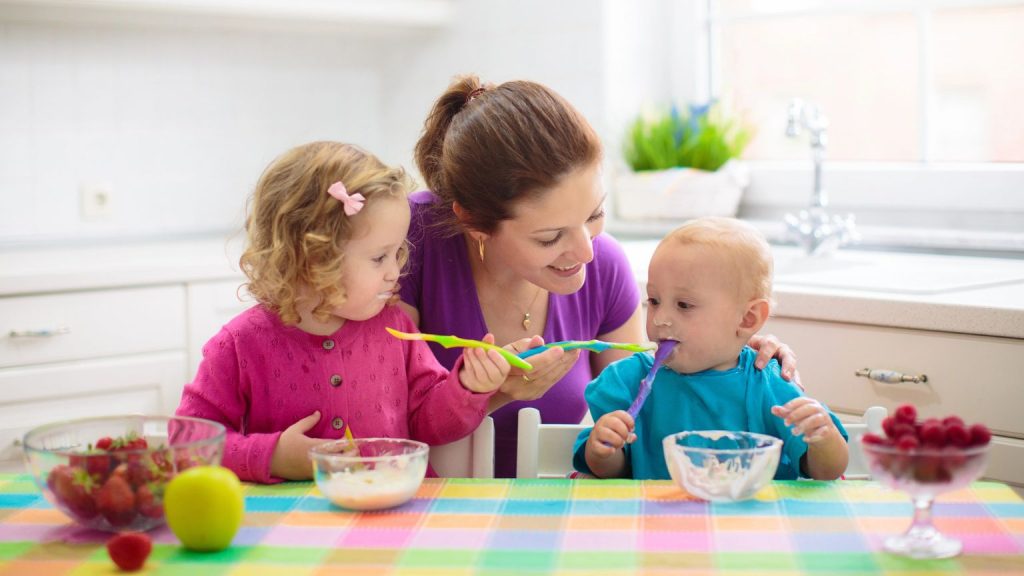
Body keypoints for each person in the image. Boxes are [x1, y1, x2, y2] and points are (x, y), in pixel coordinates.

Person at [400, 74, 802, 477]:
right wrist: (498, 394)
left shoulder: (604, 264)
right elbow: (378, 417)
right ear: (474, 222)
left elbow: (653, 394)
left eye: (594, 215)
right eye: (551, 237)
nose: (586, 251)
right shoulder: (408, 242)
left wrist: (733, 355)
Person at [176, 141, 513, 483]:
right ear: (312, 258)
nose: (395, 272)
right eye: (379, 257)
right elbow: (187, 443)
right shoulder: (238, 345)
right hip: (292, 526)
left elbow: (432, 425)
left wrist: (468, 386)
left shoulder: (396, 330)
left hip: (397, 516)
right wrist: (273, 456)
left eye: (398, 253)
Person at [575, 218, 849, 480]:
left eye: (684, 305)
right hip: (659, 522)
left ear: (747, 319)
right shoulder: (627, 381)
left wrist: (823, 440)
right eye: (655, 300)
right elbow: (609, 472)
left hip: (754, 524)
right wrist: (603, 451)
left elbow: (825, 471)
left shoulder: (768, 383)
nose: (660, 319)